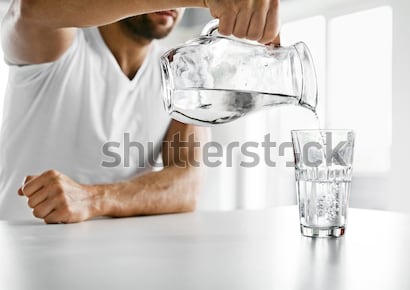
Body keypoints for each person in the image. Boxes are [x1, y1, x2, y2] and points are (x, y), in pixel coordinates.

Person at [0, 0, 280, 223]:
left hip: (124, 259)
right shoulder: (59, 43)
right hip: (23, 254)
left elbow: (187, 184)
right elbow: (30, 9)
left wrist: (93, 198)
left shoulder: (180, 70)